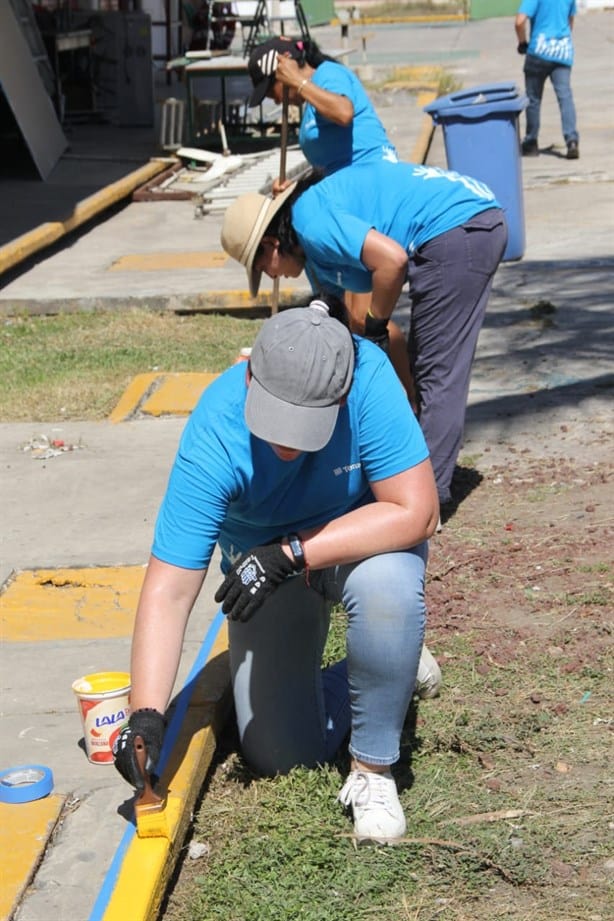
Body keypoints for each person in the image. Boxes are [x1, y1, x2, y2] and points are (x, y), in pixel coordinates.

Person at [113, 296, 439, 844]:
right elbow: (169, 590)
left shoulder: (368, 378)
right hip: (260, 569)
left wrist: (291, 552)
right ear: (250, 380)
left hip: (357, 544)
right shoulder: (215, 429)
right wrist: (145, 714)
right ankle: (397, 669)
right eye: (276, 421)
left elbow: (418, 511)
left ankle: (373, 770)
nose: (287, 442)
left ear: (341, 393)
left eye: (304, 425)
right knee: (280, 754)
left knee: (391, 591)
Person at [220, 162, 507, 511]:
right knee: (426, 364)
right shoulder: (313, 254)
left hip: (460, 227)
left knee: (437, 373)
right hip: (462, 222)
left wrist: (375, 327)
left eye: (262, 266)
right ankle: (405, 471)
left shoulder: (311, 223)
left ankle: (424, 505)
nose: (269, 275)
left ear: (272, 244)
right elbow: (334, 326)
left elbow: (392, 261)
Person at [247, 36, 415, 404]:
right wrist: (294, 187)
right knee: (347, 319)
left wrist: (298, 83)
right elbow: (330, 164)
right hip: (343, 203)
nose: (275, 100)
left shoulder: (329, 76)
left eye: (272, 89)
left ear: (287, 67)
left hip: (370, 197)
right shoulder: (307, 105)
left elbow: (343, 113)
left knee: (364, 318)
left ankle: (409, 401)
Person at [515, 0, 579, 159]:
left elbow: (519, 22)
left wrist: (522, 43)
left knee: (533, 99)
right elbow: (570, 22)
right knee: (565, 96)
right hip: (562, 53)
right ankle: (571, 140)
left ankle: (531, 143)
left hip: (539, 52)